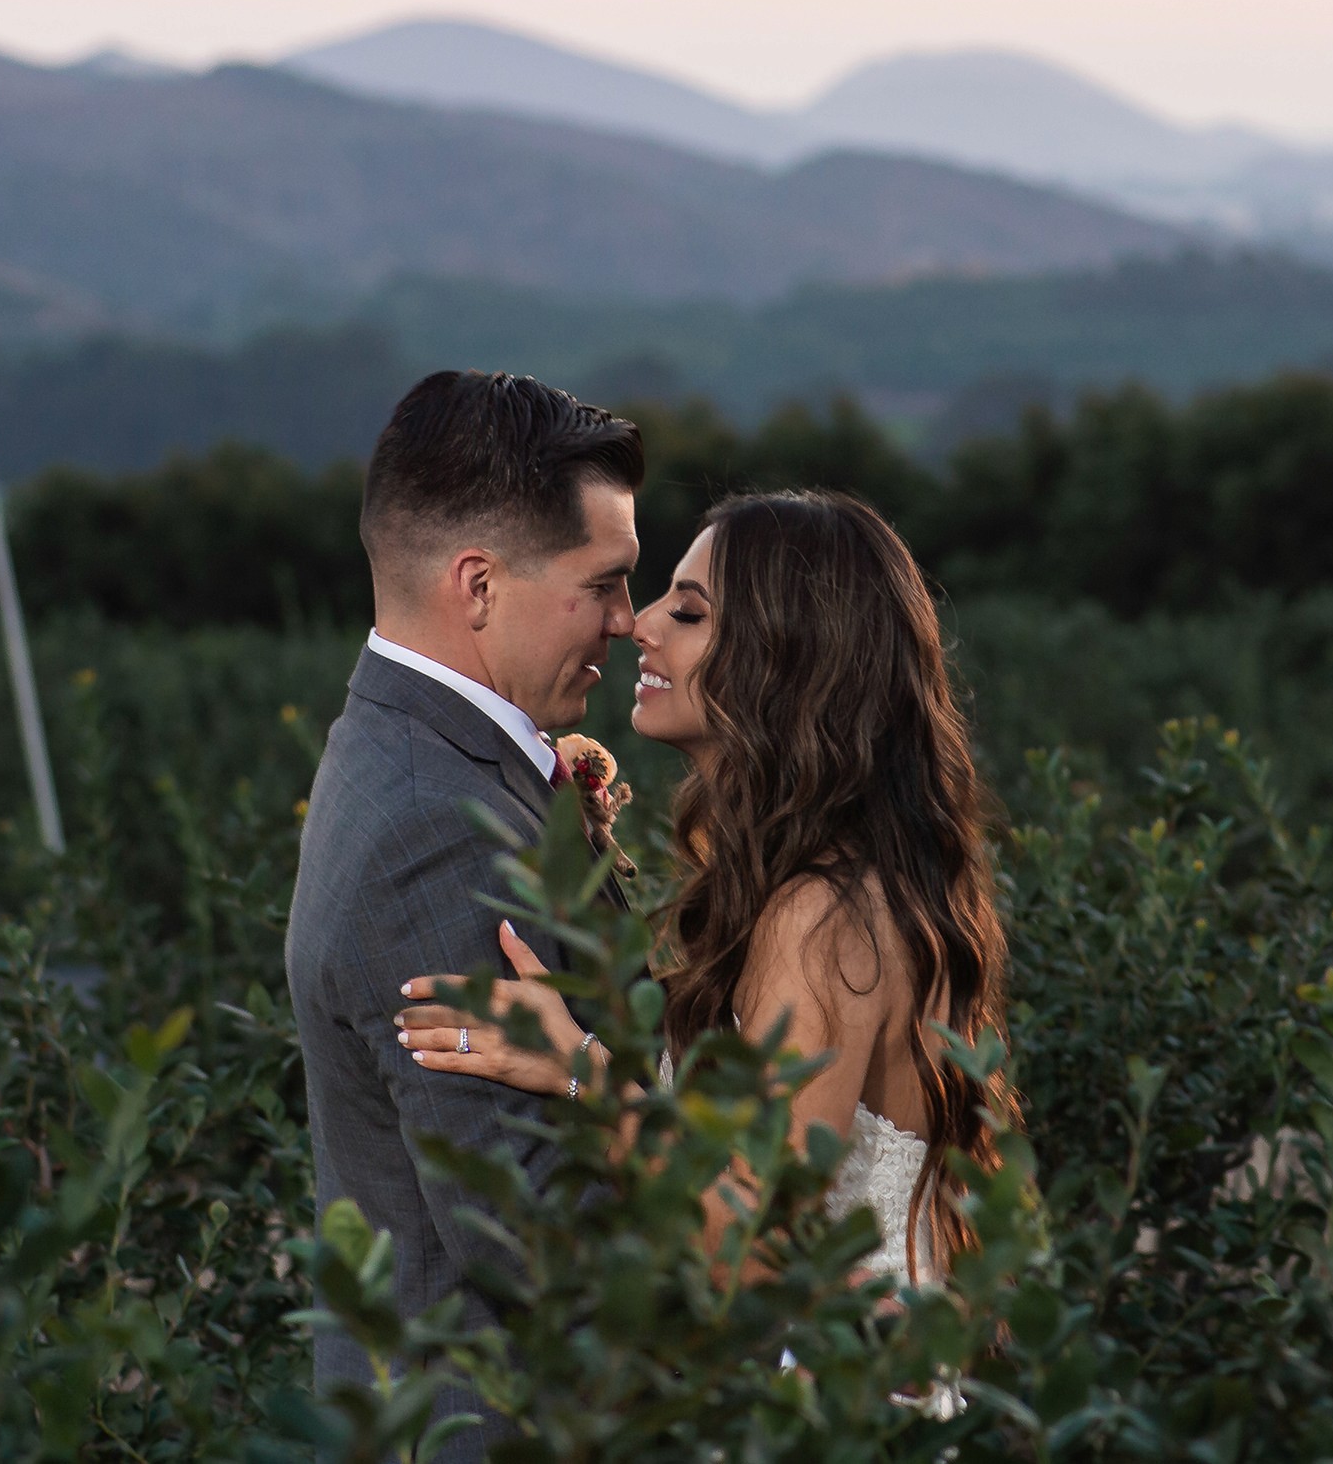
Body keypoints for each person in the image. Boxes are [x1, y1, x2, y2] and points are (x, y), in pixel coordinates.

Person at [394, 488, 1018, 1288]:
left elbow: (756, 1240)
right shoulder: (814, 886)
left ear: (790, 659)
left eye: (687, 615)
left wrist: (578, 1065)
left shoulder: (822, 916)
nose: (638, 624)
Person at [283, 370, 643, 1448]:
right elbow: (532, 1241)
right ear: (478, 585)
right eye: (607, 582)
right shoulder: (436, 826)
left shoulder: (407, 750)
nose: (627, 622)